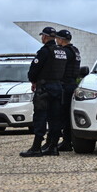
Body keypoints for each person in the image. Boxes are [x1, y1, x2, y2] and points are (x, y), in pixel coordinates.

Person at [19, 27, 67, 157]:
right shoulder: (62, 51)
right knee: (55, 118)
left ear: (45, 37)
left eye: (42, 36)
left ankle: (36, 148)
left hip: (45, 88)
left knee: (40, 117)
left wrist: (33, 81)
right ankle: (53, 147)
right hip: (58, 87)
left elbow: (34, 70)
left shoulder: (44, 52)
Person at [55, 29, 81, 151]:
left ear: (61, 39)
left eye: (57, 38)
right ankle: (68, 140)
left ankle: (66, 141)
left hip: (64, 85)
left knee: (63, 115)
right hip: (72, 84)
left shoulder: (64, 52)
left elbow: (59, 68)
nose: (56, 40)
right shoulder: (75, 50)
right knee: (68, 114)